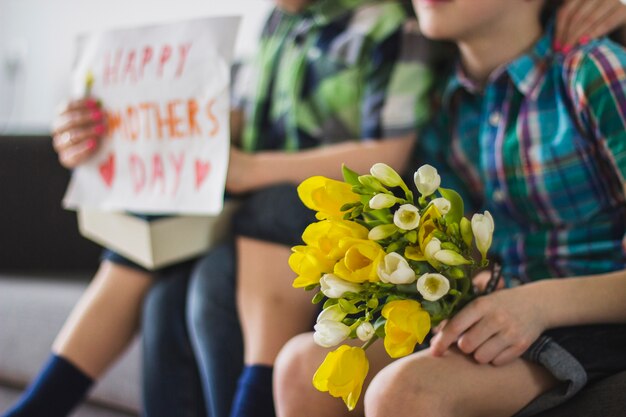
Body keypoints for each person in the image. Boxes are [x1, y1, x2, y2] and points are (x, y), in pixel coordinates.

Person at [2, 1, 433, 417]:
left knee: (256, 224)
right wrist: (117, 126)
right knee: (165, 294)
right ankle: (41, 406)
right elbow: (238, 121)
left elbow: (390, 156)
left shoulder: (388, 24)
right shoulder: (278, 23)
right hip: (249, 215)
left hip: (315, 221)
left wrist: (250, 170)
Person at [273, 0, 626, 417]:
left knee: (404, 392)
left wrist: (537, 304)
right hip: (499, 308)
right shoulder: (446, 101)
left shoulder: (594, 73)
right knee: (299, 365)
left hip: (591, 316)